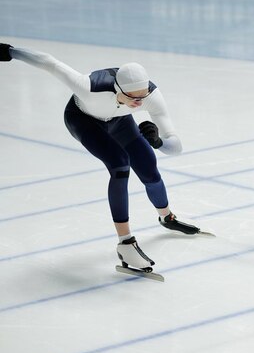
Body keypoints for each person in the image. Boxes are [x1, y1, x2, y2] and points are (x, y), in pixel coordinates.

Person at [0, 42, 203, 273]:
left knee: (148, 164)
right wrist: (9, 51)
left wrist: (158, 142)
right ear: (118, 90)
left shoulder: (151, 95)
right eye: (133, 98)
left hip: (120, 121)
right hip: (83, 120)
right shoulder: (89, 87)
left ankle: (167, 217)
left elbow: (176, 147)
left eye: (142, 97)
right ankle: (126, 243)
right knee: (119, 164)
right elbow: (49, 62)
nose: (139, 103)